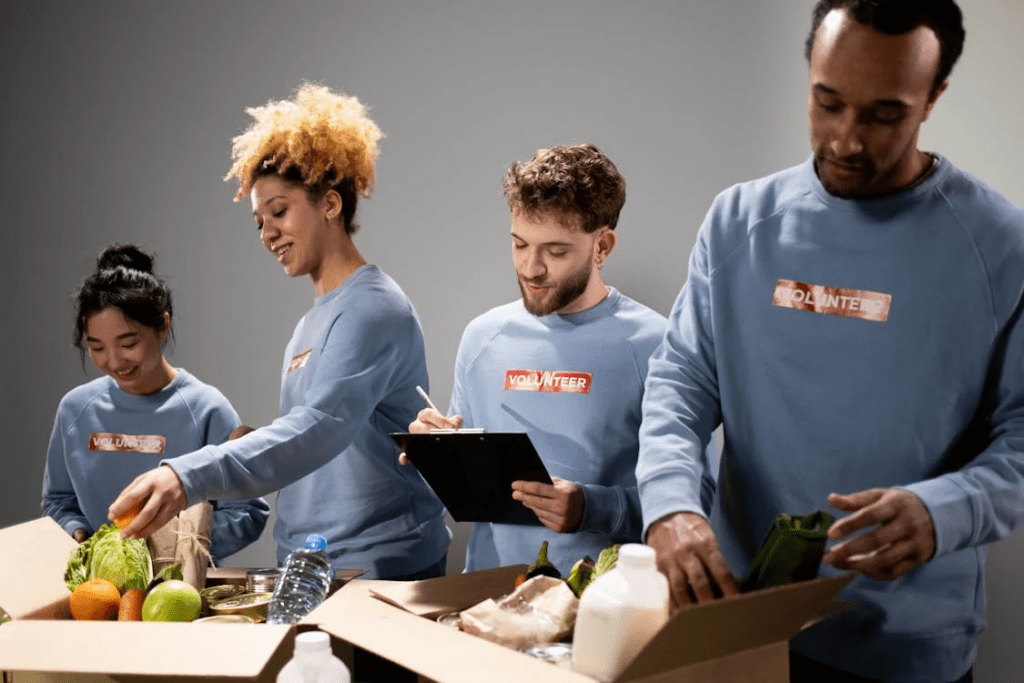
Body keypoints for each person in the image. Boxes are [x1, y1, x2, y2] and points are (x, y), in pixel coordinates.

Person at [637, 1, 1024, 682]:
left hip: (904, 652)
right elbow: (682, 382)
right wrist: (670, 503)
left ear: (934, 97)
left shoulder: (1002, 246)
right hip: (739, 625)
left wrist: (946, 511)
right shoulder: (737, 222)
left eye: (883, 115)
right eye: (828, 102)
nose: (847, 139)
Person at [108, 83, 450, 585]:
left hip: (378, 567)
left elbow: (320, 428)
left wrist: (189, 475)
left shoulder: (373, 308)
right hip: (310, 562)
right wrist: (261, 439)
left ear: (330, 204)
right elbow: (316, 435)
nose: (268, 233)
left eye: (280, 210)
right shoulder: (310, 324)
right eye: (259, 221)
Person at [408, 143, 714, 575]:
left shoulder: (657, 345)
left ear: (602, 246)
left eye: (555, 251)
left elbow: (701, 497)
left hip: (606, 603)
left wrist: (592, 508)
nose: (531, 268)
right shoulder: (483, 338)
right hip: (491, 599)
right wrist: (434, 451)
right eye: (519, 245)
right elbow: (470, 490)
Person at [42, 243, 269, 565]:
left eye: (129, 343)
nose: (115, 361)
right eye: (97, 348)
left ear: (163, 325)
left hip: (179, 594)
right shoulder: (75, 409)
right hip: (97, 593)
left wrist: (174, 551)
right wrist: (77, 532)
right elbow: (59, 501)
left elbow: (247, 512)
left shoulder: (206, 408)